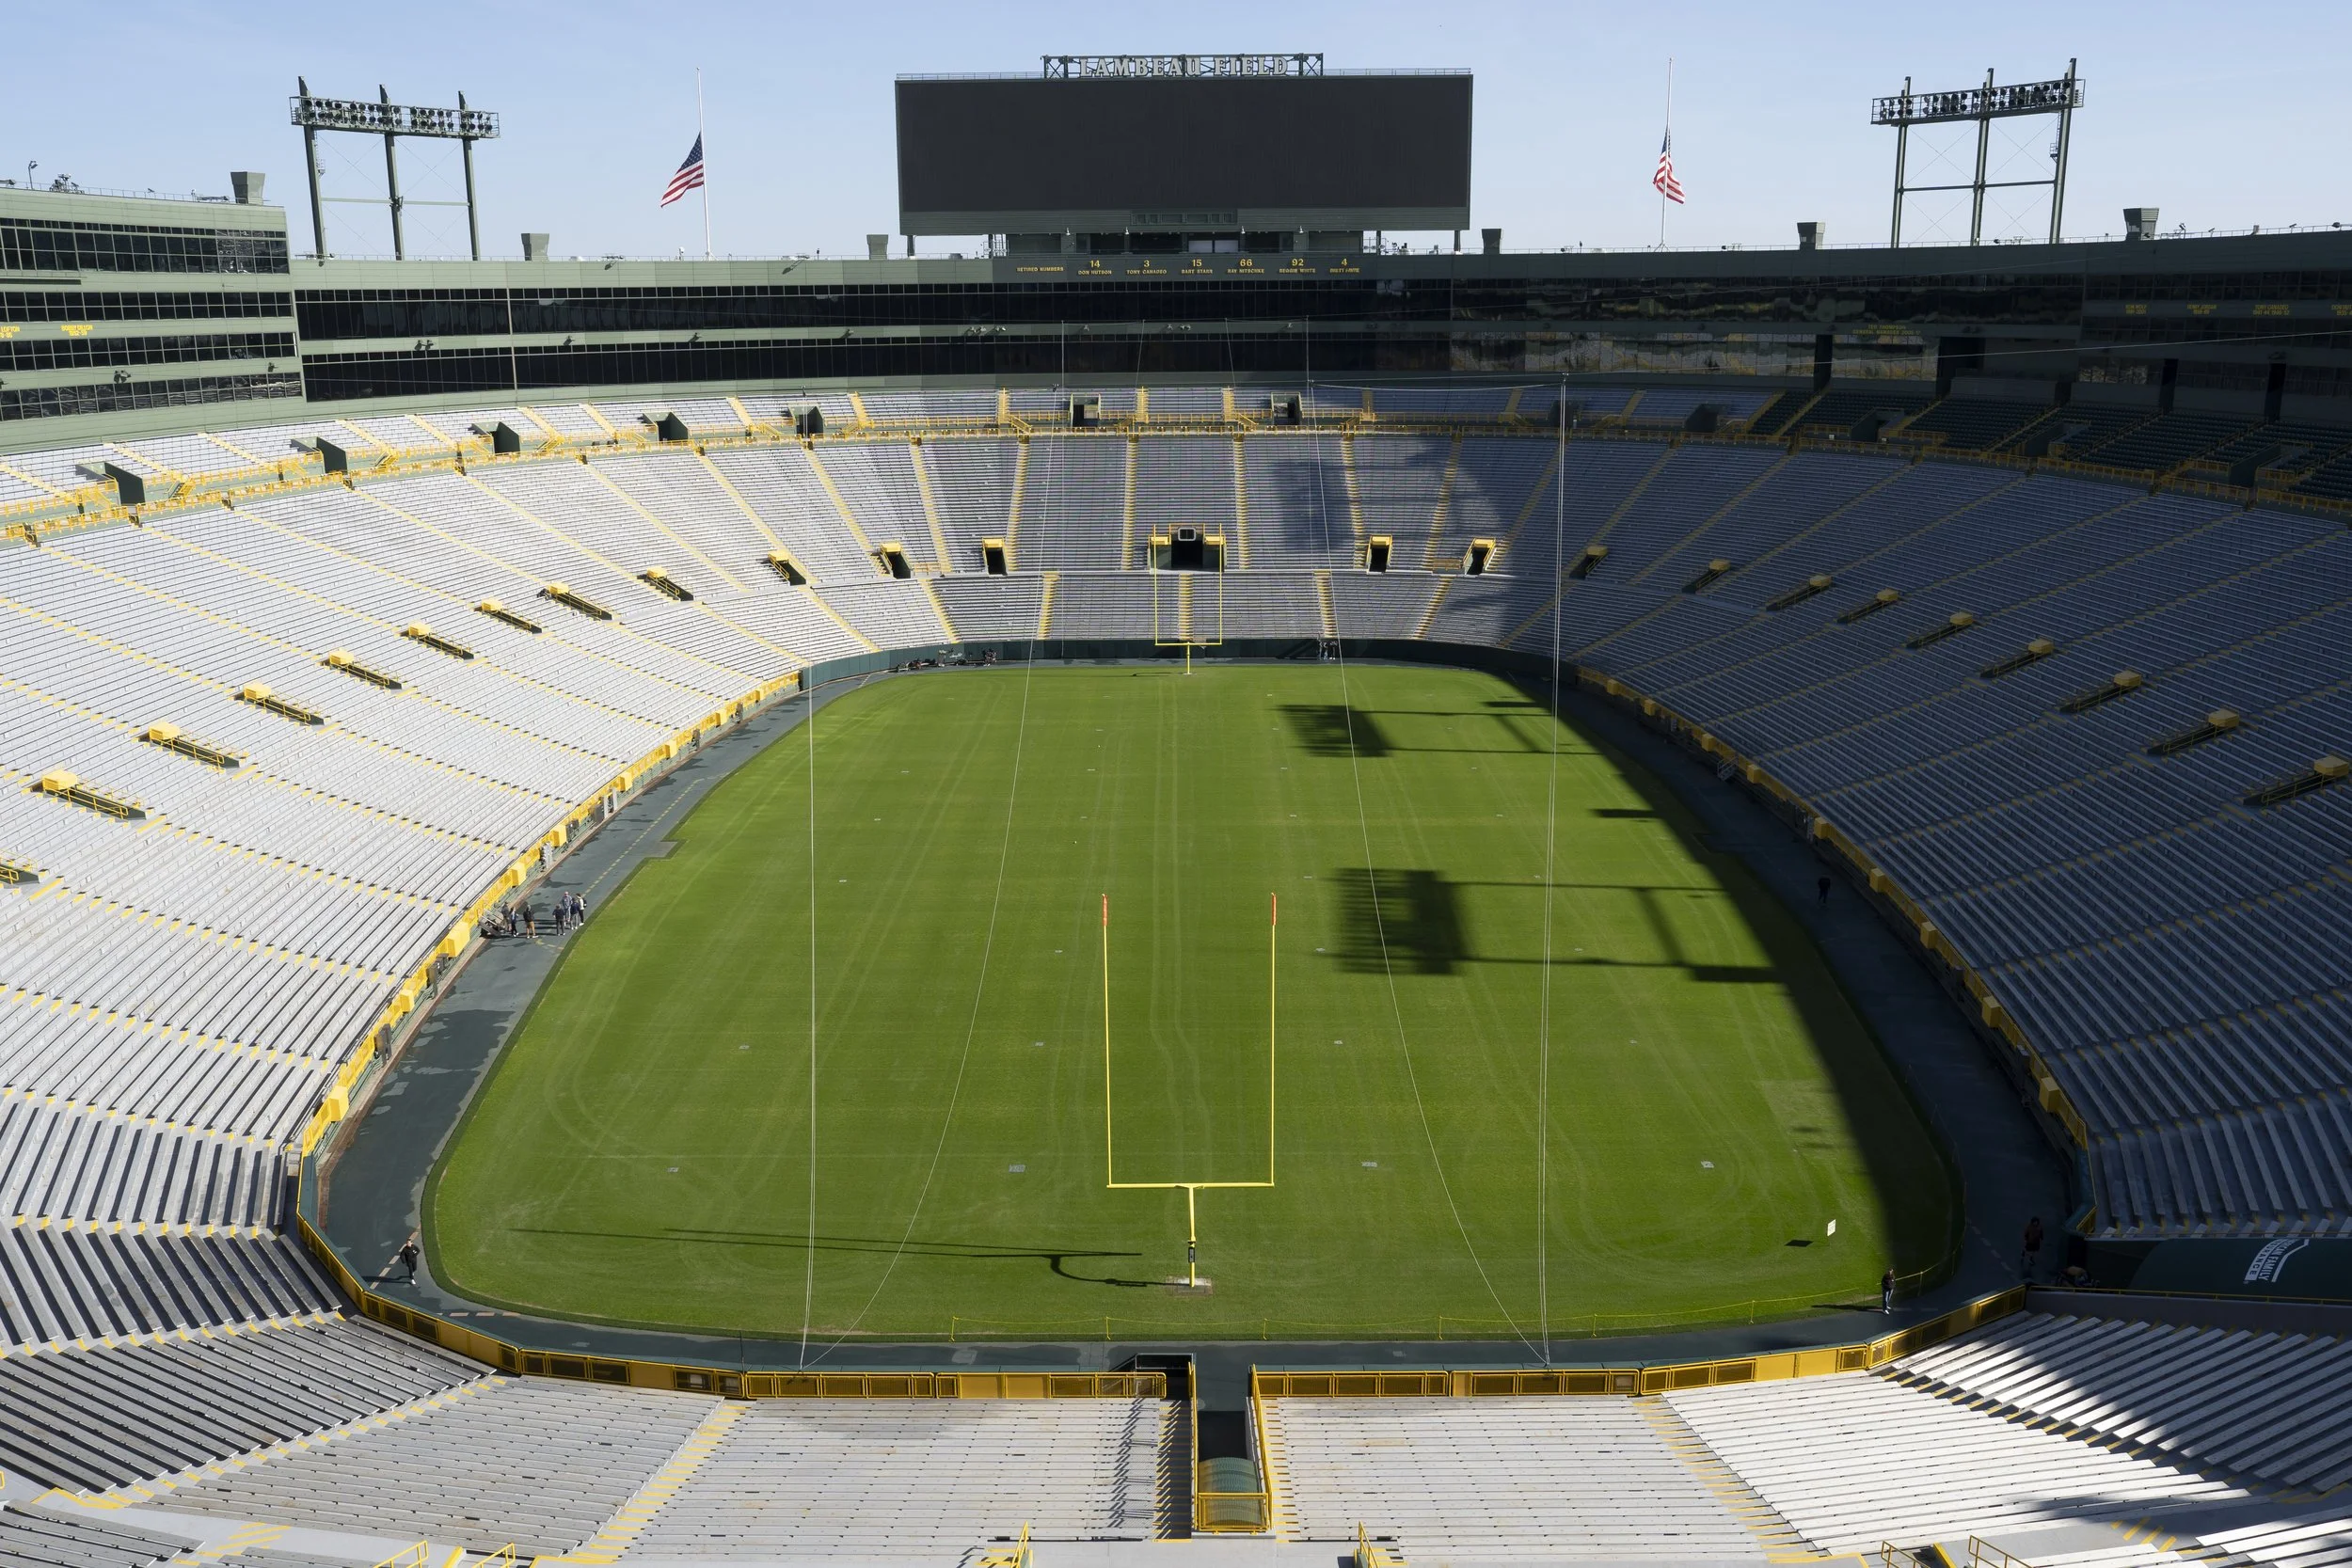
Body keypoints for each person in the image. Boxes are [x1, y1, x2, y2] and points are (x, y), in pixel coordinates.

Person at [2021, 1215, 2044, 1279]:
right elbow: (2026, 1233)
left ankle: (2031, 1259)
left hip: (2036, 1241)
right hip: (2030, 1241)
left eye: (2036, 1222)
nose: (2035, 1223)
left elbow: (2041, 1233)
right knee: (2028, 1249)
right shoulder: (2030, 1227)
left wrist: (2041, 1238)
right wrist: (2026, 1238)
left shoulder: (2039, 1227)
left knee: (2034, 1250)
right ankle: (2024, 1252)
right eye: (2034, 1222)